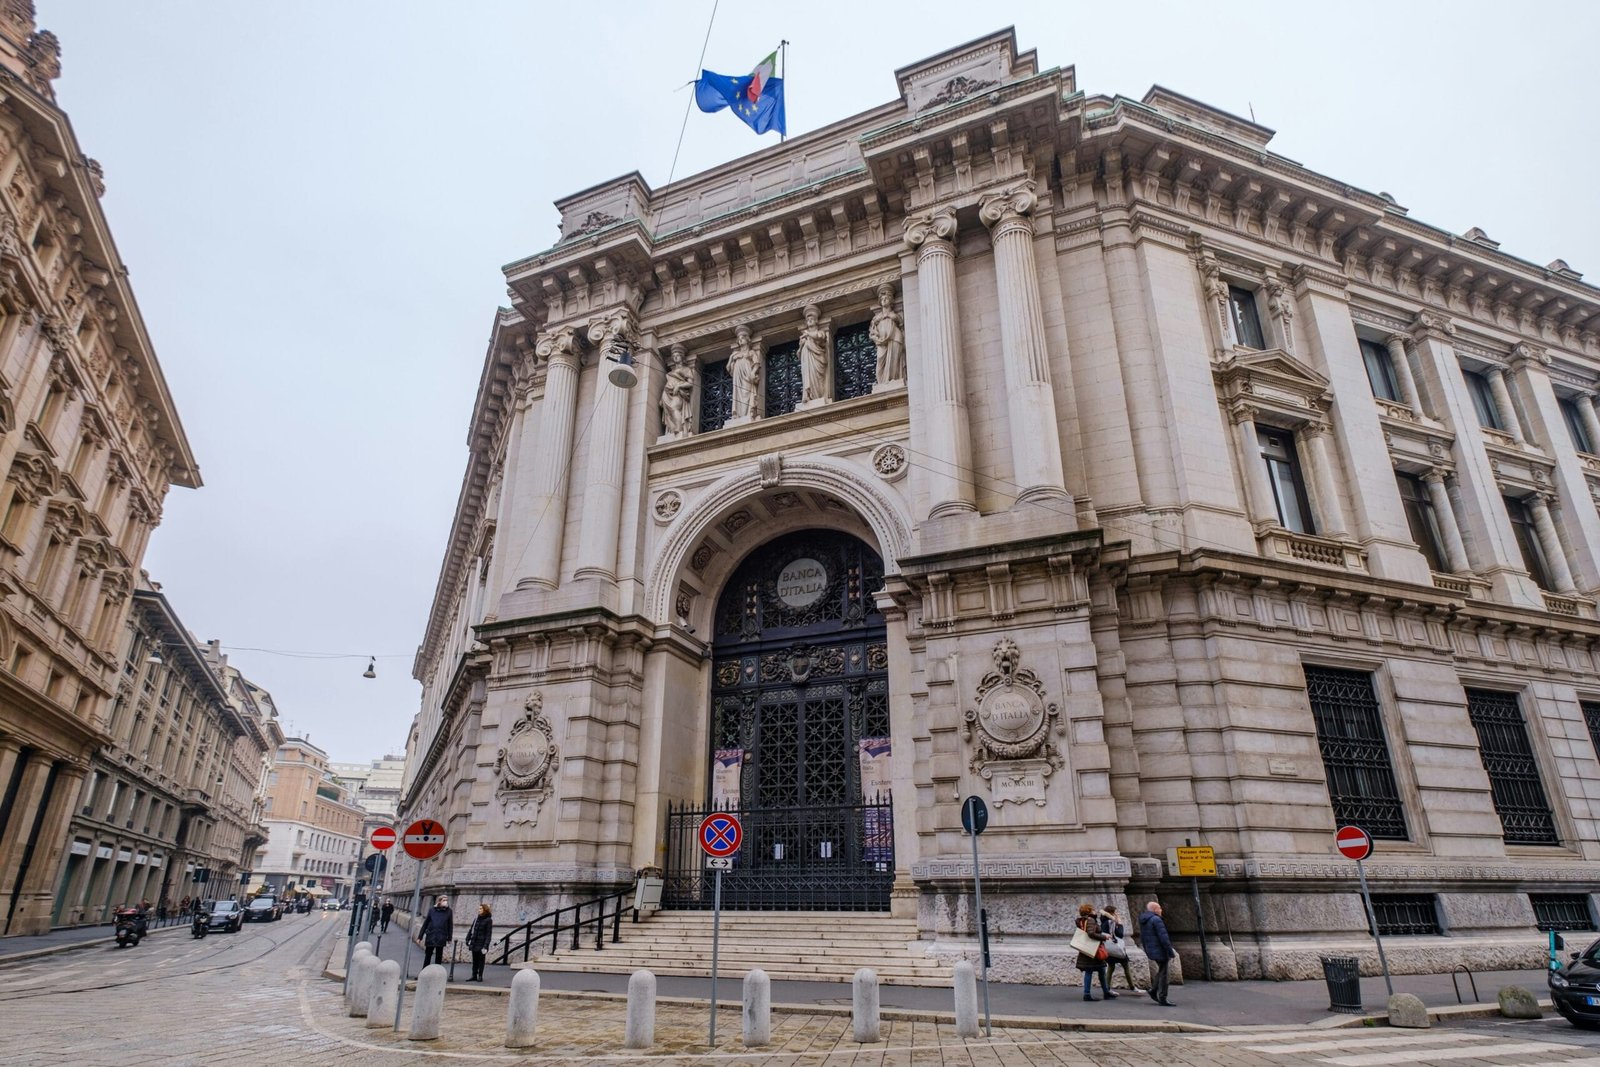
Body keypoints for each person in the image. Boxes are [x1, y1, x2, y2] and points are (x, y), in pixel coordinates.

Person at [1074, 902, 1115, 1001]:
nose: (1095, 910)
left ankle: (1105, 992)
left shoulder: (1082, 921)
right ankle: (1088, 994)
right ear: (1089, 911)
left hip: (1088, 949)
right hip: (1094, 950)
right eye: (1093, 909)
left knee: (1099, 971)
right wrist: (1104, 937)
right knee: (1092, 971)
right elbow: (1091, 934)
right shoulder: (1091, 920)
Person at [1139, 901, 1177, 1006]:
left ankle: (1153, 990)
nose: (1161, 910)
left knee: (1161, 971)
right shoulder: (1156, 920)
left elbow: (1143, 937)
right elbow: (1163, 937)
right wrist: (1170, 951)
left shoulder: (1145, 920)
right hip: (1160, 949)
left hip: (1152, 949)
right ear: (1155, 909)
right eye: (1159, 908)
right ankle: (1162, 997)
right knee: (1164, 974)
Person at [1101, 905, 1138, 992]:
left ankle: (1107, 988)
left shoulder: (1103, 922)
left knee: (1111, 967)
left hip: (1109, 948)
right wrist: (1120, 924)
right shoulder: (1111, 922)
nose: (1116, 914)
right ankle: (1132, 987)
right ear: (1111, 913)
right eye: (1115, 912)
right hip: (1117, 948)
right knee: (1126, 966)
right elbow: (1120, 934)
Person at [420, 895, 453, 968]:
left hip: (441, 936)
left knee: (438, 957)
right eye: (444, 900)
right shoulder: (432, 910)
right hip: (431, 935)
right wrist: (420, 937)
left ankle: (438, 973)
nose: (446, 902)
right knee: (428, 956)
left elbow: (450, 925)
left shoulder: (449, 911)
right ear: (439, 901)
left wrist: (449, 938)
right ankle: (424, 972)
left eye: (446, 900)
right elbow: (426, 923)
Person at [465, 903, 493, 982]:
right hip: (474, 941)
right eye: (479, 909)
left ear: (485, 910)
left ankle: (480, 975)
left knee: (481, 960)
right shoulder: (476, 919)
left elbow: (488, 934)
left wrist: (486, 945)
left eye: (481, 909)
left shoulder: (488, 920)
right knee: (475, 960)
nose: (479, 910)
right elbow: (471, 930)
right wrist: (467, 939)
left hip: (482, 943)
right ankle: (474, 975)